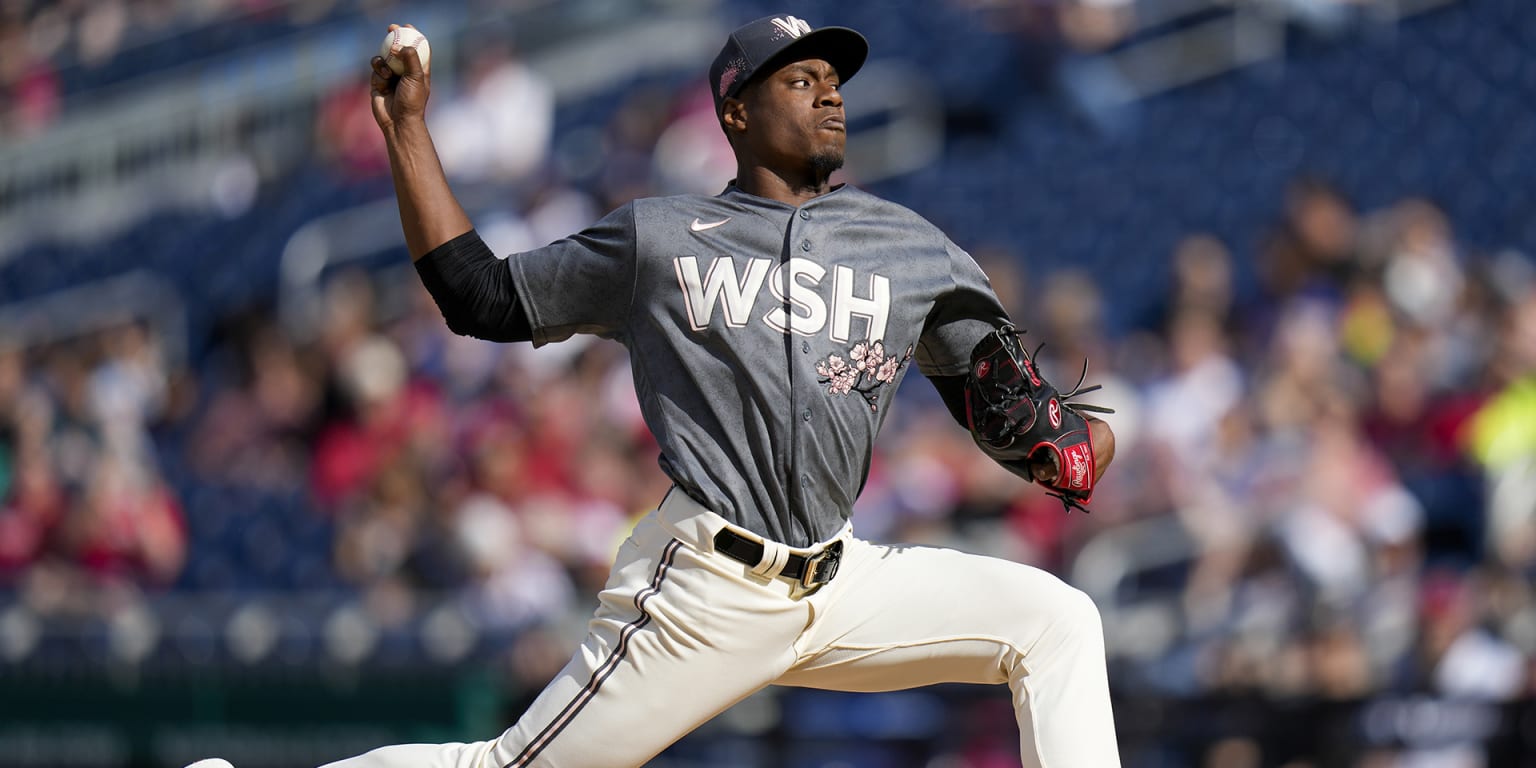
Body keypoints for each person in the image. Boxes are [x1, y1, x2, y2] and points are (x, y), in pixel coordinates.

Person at [191, 13, 1122, 768]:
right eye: (800, 79)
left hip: (842, 579)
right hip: (709, 584)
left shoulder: (911, 249)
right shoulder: (663, 237)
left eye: (834, 78)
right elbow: (480, 297)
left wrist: (1068, 444)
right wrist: (406, 131)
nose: (831, 91)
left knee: (1056, 621)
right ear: (736, 115)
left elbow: (1015, 419)